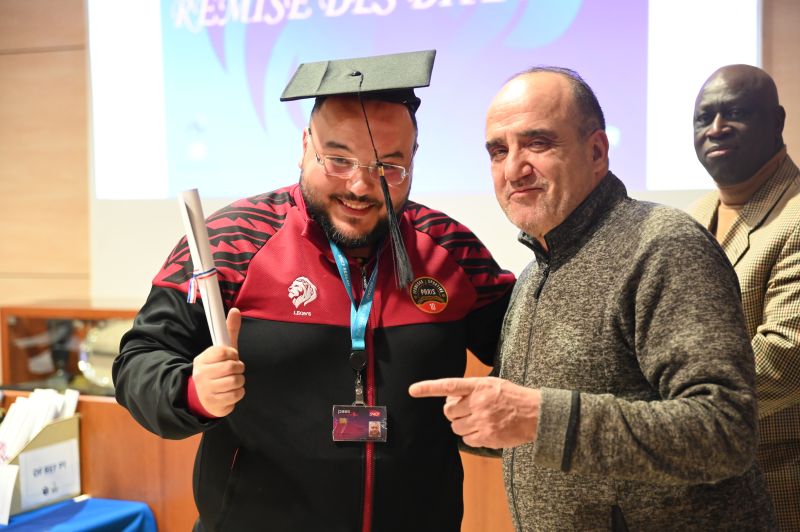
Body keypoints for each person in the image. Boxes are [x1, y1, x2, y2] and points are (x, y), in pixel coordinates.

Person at [112, 50, 515, 532]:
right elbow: (139, 361)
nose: (361, 186)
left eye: (388, 166)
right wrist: (192, 392)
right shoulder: (231, 243)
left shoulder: (451, 249)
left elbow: (529, 351)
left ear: (413, 159)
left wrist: (495, 415)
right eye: (339, 160)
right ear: (305, 146)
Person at [409, 66, 777, 530]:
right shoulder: (534, 274)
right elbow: (535, 428)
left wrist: (539, 417)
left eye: (537, 143)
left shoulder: (663, 246)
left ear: (597, 151)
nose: (514, 169)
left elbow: (723, 432)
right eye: (499, 151)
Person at [690, 64, 800, 530]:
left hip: (777, 486)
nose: (716, 128)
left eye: (735, 113)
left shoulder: (796, 217)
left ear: (776, 121)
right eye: (704, 117)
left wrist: (674, 405)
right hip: (698, 488)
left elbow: (786, 355)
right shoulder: (695, 215)